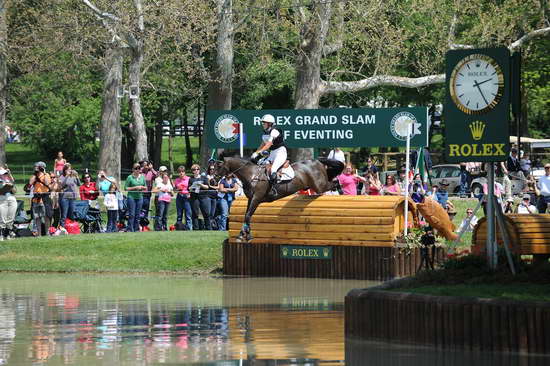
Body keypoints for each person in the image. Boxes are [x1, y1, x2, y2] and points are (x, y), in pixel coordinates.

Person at [251, 114, 287, 185]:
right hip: (273, 152)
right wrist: (255, 152)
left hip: (280, 152)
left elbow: (269, 144)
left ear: (269, 123)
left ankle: (276, 188)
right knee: (261, 164)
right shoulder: (265, 132)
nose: (262, 124)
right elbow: (262, 145)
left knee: (273, 169)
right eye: (262, 122)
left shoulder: (275, 131)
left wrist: (259, 152)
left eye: (264, 122)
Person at [29, 161, 53, 235]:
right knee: (37, 217)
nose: (35, 168)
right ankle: (39, 234)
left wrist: (44, 172)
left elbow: (47, 183)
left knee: (46, 216)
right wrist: (35, 174)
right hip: (36, 198)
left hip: (44, 198)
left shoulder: (47, 175)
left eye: (37, 167)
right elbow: (30, 183)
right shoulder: (34, 176)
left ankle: (47, 233)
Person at [124, 163, 146, 232]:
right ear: (133, 169)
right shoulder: (130, 177)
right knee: (132, 214)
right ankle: (130, 228)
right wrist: (135, 187)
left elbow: (145, 187)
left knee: (137, 215)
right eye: (136, 168)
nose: (137, 170)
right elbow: (125, 188)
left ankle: (136, 229)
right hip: (131, 197)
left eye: (139, 168)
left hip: (140, 197)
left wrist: (141, 187)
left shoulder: (142, 177)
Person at [188, 164, 211, 230]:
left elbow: (207, 187)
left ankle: (208, 228)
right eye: (194, 169)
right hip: (194, 197)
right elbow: (188, 188)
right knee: (195, 213)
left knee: (206, 213)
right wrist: (192, 187)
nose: (196, 170)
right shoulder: (191, 179)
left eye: (197, 169)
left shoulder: (204, 177)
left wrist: (201, 185)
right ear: (192, 171)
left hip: (203, 197)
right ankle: (196, 228)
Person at [59, 164, 80, 228]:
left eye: (70, 169)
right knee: (64, 215)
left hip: (72, 197)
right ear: (64, 170)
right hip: (64, 198)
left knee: (71, 214)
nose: (69, 171)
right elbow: (61, 185)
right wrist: (67, 176)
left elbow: (79, 184)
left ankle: (71, 228)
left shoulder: (73, 177)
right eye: (68, 169)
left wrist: (77, 176)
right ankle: (62, 229)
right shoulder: (62, 177)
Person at [0, 166, 17, 240]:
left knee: (11, 217)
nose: (5, 175)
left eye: (5, 173)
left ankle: (7, 234)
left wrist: (10, 179)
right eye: (4, 174)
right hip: (2, 199)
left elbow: (15, 191)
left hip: (11, 198)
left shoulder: (9, 180)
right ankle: (1, 235)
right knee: (2, 218)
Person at [174, 166, 192, 230]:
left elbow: (192, 188)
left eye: (182, 171)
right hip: (179, 197)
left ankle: (189, 228)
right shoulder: (176, 180)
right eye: (179, 172)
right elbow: (174, 190)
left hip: (187, 196)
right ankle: (179, 228)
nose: (181, 173)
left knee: (188, 214)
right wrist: (177, 189)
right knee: (179, 214)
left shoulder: (189, 179)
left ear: (184, 172)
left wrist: (189, 193)